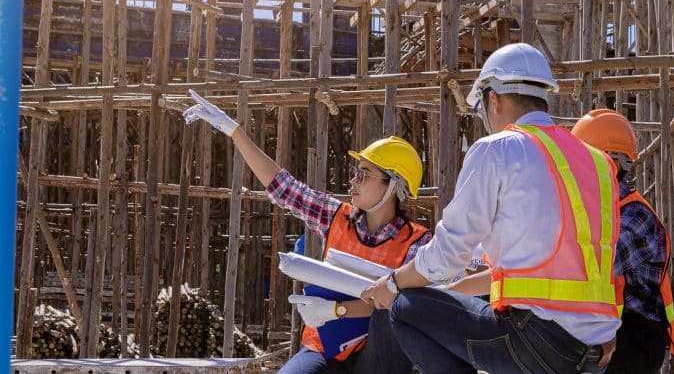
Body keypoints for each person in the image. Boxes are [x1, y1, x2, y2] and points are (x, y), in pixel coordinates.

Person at [360, 43, 623, 374]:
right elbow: (577, 268)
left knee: (403, 308)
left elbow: (448, 253)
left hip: (534, 344)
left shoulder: (498, 149)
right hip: (597, 348)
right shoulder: (597, 161)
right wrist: (450, 293)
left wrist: (393, 284)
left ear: (493, 99)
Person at [183, 91, 428, 374]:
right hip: (325, 350)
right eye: (355, 171)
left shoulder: (418, 243)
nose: (353, 181)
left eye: (364, 174)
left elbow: (403, 307)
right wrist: (236, 132)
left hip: (378, 361)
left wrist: (337, 310)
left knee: (394, 311)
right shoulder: (336, 216)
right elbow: (284, 187)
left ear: (394, 186)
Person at [571, 109, 674, 373]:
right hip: (612, 330)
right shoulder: (602, 213)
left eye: (581, 161)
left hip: (636, 337)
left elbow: (590, 271)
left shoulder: (633, 217)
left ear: (612, 164)